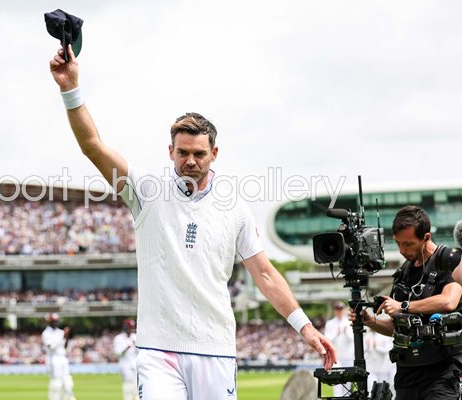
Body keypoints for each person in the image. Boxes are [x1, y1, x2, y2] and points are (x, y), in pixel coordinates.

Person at [49, 44, 336, 400]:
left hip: (215, 345)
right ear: (170, 151)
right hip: (157, 349)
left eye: (199, 154)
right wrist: (69, 88)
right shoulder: (145, 189)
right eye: (182, 152)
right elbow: (93, 145)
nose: (190, 161)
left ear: (214, 153)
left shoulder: (235, 207)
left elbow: (265, 274)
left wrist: (305, 327)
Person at [355, 205, 462, 400]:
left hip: (442, 371)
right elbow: (397, 328)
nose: (402, 250)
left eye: (408, 244)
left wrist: (403, 306)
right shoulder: (403, 272)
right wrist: (370, 321)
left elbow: (449, 302)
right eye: (398, 244)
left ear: (426, 237)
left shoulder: (449, 261)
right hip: (406, 372)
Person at [42, 312, 76, 400]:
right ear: (49, 322)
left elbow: (64, 347)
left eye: (57, 321)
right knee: (56, 383)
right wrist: (62, 336)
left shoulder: (60, 332)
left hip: (63, 358)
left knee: (68, 382)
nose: (56, 323)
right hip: (53, 358)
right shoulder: (46, 333)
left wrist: (67, 337)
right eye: (54, 321)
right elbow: (51, 347)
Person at [323, 301, 354, 397]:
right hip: (336, 357)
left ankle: (347, 397)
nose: (339, 311)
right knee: (337, 381)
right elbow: (327, 340)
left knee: (348, 382)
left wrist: (345, 332)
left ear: (344, 310)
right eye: (337, 309)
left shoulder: (349, 321)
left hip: (348, 356)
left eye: (340, 309)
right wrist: (337, 333)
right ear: (334, 311)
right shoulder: (330, 323)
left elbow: (352, 339)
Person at [114, 319, 138, 400]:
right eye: (129, 327)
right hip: (124, 365)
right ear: (125, 328)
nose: (131, 329)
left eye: (132, 328)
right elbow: (118, 353)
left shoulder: (136, 337)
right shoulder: (118, 338)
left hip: (135, 364)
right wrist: (126, 348)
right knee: (127, 386)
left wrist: (136, 346)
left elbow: (140, 353)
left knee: (136, 386)